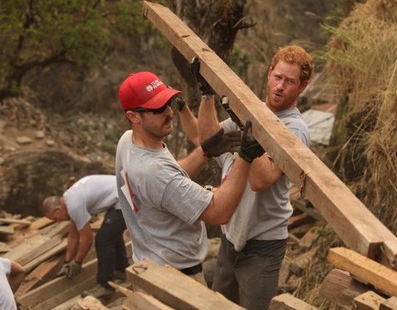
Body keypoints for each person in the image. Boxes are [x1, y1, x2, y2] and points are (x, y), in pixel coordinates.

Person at [115, 71, 264, 285]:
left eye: (167, 103)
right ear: (134, 116)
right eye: (158, 109)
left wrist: (204, 151)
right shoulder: (154, 173)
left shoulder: (128, 142)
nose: (169, 112)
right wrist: (246, 156)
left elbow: (168, 177)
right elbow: (219, 211)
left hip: (151, 265)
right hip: (176, 280)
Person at [197, 45, 313, 310]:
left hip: (263, 245)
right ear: (269, 73)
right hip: (231, 236)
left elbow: (261, 180)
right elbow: (206, 141)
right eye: (278, 77)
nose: (280, 86)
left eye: (290, 81)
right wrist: (206, 95)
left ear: (303, 86)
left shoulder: (295, 129)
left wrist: (242, 123)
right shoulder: (252, 111)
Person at [42, 174, 129, 299]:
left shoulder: (74, 205)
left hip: (126, 197)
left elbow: (87, 238)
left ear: (58, 209)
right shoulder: (69, 199)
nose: (57, 222)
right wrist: (67, 262)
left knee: (103, 240)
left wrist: (77, 262)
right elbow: (73, 236)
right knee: (111, 233)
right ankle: (121, 269)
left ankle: (105, 286)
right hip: (121, 194)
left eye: (55, 218)